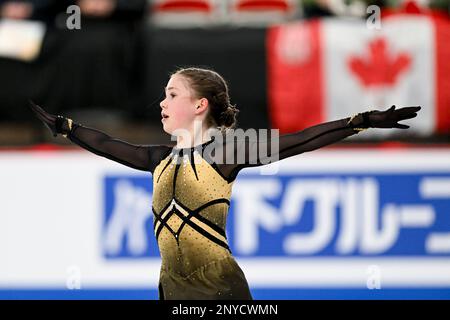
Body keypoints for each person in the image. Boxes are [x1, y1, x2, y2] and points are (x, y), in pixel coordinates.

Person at [29, 67, 421, 300]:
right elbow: (109, 145)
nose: (162, 103)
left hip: (219, 288)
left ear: (200, 105)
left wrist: (359, 122)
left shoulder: (227, 151)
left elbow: (299, 140)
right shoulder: (158, 159)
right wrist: (67, 128)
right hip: (172, 287)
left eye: (172, 94)